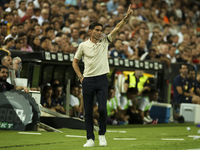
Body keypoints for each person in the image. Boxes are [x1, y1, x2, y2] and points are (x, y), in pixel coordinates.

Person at [72, 4, 133, 147]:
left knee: (102, 109)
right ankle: (90, 139)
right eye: (97, 30)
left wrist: (125, 19)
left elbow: (117, 28)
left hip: (102, 79)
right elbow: (75, 62)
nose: (100, 33)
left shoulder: (105, 41)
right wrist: (80, 77)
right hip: (87, 80)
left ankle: (102, 135)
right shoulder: (83, 46)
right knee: (87, 111)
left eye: (101, 30)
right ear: (90, 31)